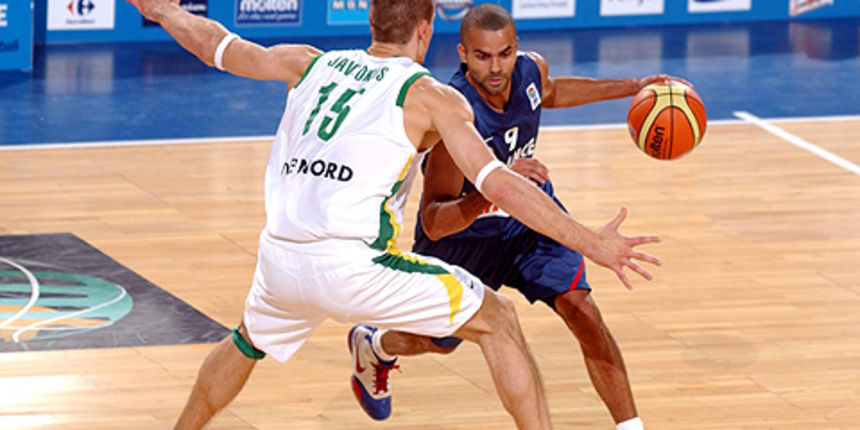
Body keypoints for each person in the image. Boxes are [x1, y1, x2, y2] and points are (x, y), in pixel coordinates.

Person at [127, 0, 659, 428]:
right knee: (498, 321)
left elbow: (220, 46)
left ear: (370, 20)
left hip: (278, 260)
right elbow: (500, 184)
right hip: (354, 267)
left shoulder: (307, 62)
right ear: (426, 30)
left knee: (246, 342)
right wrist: (594, 242)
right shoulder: (432, 97)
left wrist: (164, 11)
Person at [349, 5, 676, 430]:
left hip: (527, 220)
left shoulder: (530, 71)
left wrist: (634, 87)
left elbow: (553, 91)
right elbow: (434, 221)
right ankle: (375, 344)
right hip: (465, 238)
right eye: (483, 57)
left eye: (504, 54)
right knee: (438, 343)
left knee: (583, 310)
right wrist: (492, 189)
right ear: (464, 54)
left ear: (516, 49)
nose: (496, 67)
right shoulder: (452, 113)